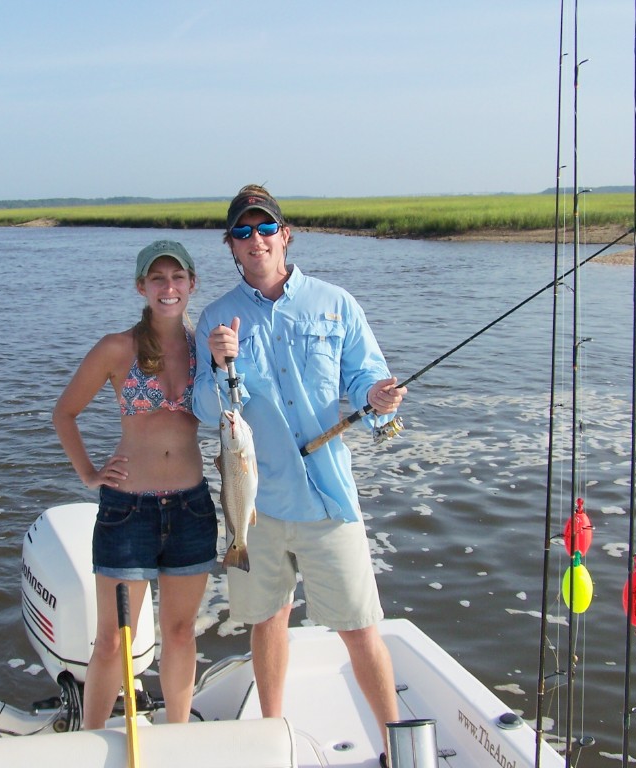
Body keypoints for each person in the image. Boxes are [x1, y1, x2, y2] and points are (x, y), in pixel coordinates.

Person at [193, 185, 404, 762]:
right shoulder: (214, 319)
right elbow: (207, 413)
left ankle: (395, 746)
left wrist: (378, 398)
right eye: (242, 232)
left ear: (285, 235)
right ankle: (272, 737)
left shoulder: (336, 304)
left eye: (265, 229)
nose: (255, 240)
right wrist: (217, 363)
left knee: (361, 626)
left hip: (328, 502)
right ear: (231, 247)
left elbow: (364, 378)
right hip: (255, 509)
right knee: (267, 620)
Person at [53, 239, 217, 729]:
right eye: (157, 279)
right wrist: (89, 474)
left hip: (191, 508)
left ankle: (178, 736)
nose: (169, 288)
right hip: (127, 512)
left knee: (182, 631)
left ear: (192, 284)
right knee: (112, 640)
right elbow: (64, 413)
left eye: (177, 278)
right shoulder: (116, 348)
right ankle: (91, 738)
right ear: (141, 286)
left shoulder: (204, 349)